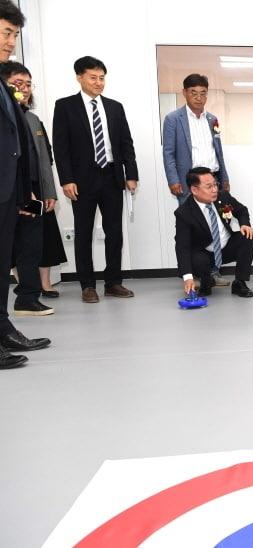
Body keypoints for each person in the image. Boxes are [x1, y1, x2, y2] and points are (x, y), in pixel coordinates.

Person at [52, 56, 138, 303]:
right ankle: (87, 286)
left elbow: (126, 143)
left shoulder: (114, 107)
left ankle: (113, 282)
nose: (99, 82)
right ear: (79, 77)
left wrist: (130, 174)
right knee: (83, 233)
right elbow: (61, 147)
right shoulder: (65, 106)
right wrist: (66, 179)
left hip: (112, 176)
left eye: (102, 78)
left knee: (114, 232)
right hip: (82, 179)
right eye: (93, 77)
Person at [0, 0, 52, 370]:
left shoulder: (5, 89)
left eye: (15, 35)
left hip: (9, 192)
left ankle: (3, 329)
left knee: (4, 264)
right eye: (6, 32)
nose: (11, 42)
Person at [1, 61, 66, 315]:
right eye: (18, 84)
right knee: (12, 249)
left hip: (34, 192)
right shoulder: (6, 118)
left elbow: (44, 159)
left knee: (32, 246)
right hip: (11, 190)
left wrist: (48, 192)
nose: (25, 89)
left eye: (28, 84)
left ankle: (27, 298)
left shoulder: (32, 118)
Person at [163, 73, 231, 287]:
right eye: (194, 93)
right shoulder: (173, 119)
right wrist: (174, 180)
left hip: (213, 181)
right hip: (190, 183)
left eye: (203, 93)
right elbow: (169, 153)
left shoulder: (212, 119)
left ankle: (214, 271)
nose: (199, 97)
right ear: (184, 93)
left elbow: (218, 151)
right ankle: (194, 275)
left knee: (218, 226)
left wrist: (224, 178)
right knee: (192, 231)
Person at [175, 167, 253, 297]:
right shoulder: (184, 213)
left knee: (248, 236)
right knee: (196, 258)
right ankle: (206, 282)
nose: (214, 190)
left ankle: (239, 282)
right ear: (194, 190)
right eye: (209, 186)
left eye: (215, 184)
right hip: (204, 254)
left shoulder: (223, 196)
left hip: (226, 247)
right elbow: (182, 246)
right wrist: (188, 277)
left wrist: (245, 224)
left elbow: (241, 210)